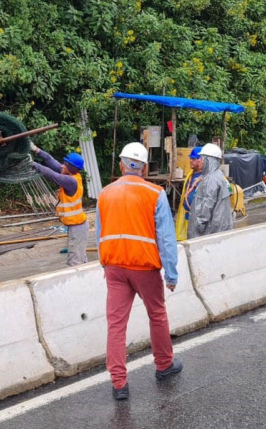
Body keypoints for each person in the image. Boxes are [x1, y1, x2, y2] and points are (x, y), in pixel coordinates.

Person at [97, 142, 181, 401]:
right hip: (144, 267)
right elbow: (166, 238)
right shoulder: (154, 193)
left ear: (122, 165)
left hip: (114, 267)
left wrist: (106, 264)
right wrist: (171, 274)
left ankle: (119, 384)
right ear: (144, 168)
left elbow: (100, 233)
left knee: (116, 324)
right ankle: (164, 365)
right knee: (157, 315)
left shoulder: (105, 193)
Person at [29, 143, 88, 267]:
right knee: (80, 259)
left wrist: (33, 164)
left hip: (78, 227)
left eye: (65, 164)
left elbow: (52, 175)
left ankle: (77, 284)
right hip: (78, 225)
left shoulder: (70, 181)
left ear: (70, 168)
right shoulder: (70, 174)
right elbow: (51, 161)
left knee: (75, 263)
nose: (62, 165)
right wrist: (36, 149)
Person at [187, 142, 233, 239]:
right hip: (219, 227)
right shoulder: (217, 175)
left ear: (209, 160)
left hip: (211, 230)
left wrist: (199, 225)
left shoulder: (211, 180)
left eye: (202, 158)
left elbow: (207, 205)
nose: (201, 161)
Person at [175, 146, 204, 241]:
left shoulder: (208, 177)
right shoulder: (190, 175)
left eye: (193, 159)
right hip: (187, 218)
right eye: (190, 158)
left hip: (200, 220)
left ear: (201, 160)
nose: (190, 161)